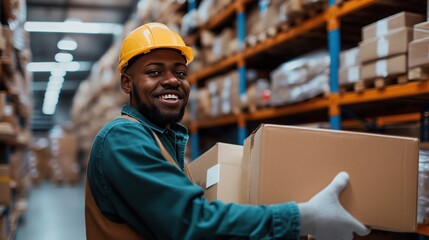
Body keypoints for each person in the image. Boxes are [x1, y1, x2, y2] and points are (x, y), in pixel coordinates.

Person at [85, 22, 371, 240]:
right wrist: (301, 216)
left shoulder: (161, 137)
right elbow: (191, 222)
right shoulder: (123, 139)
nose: (172, 80)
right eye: (155, 72)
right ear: (127, 84)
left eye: (180, 73)